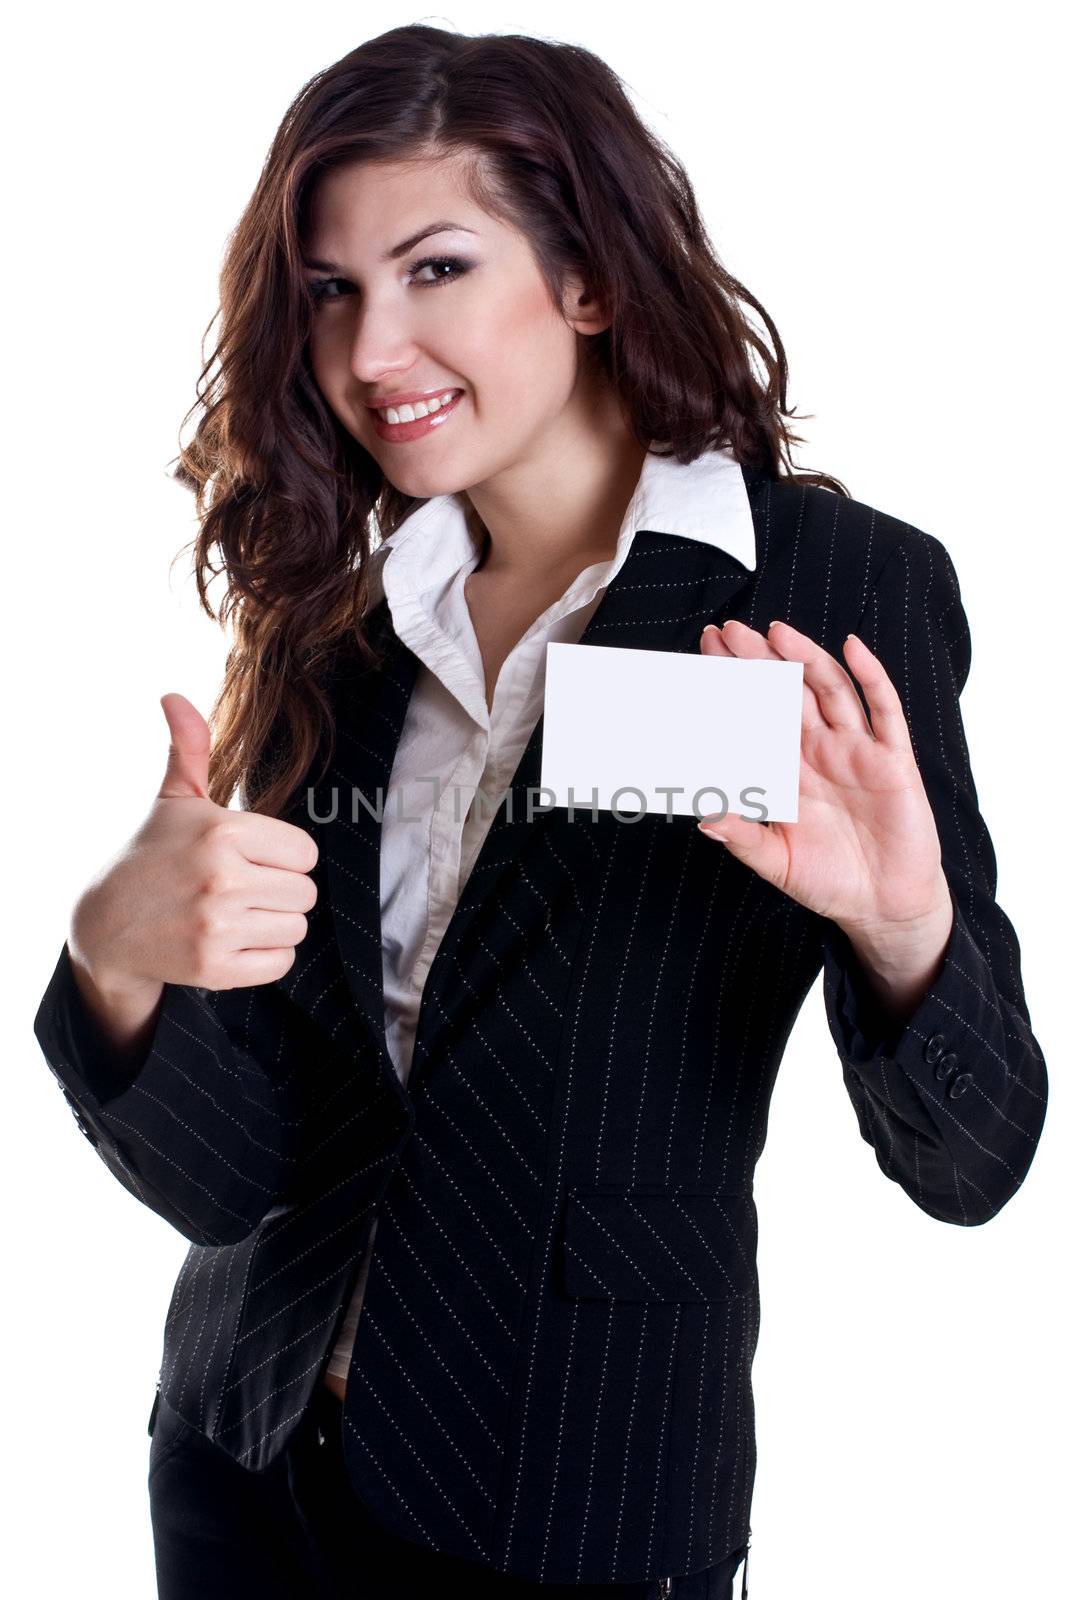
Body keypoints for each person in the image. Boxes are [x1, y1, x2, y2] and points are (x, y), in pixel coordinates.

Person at [31, 23, 1047, 1600]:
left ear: (587, 278)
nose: (372, 352)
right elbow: (248, 1169)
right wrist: (114, 968)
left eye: (436, 269)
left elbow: (973, 1158)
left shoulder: (833, 591)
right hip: (242, 1458)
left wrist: (902, 925)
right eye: (331, 290)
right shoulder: (340, 630)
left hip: (571, 1491)